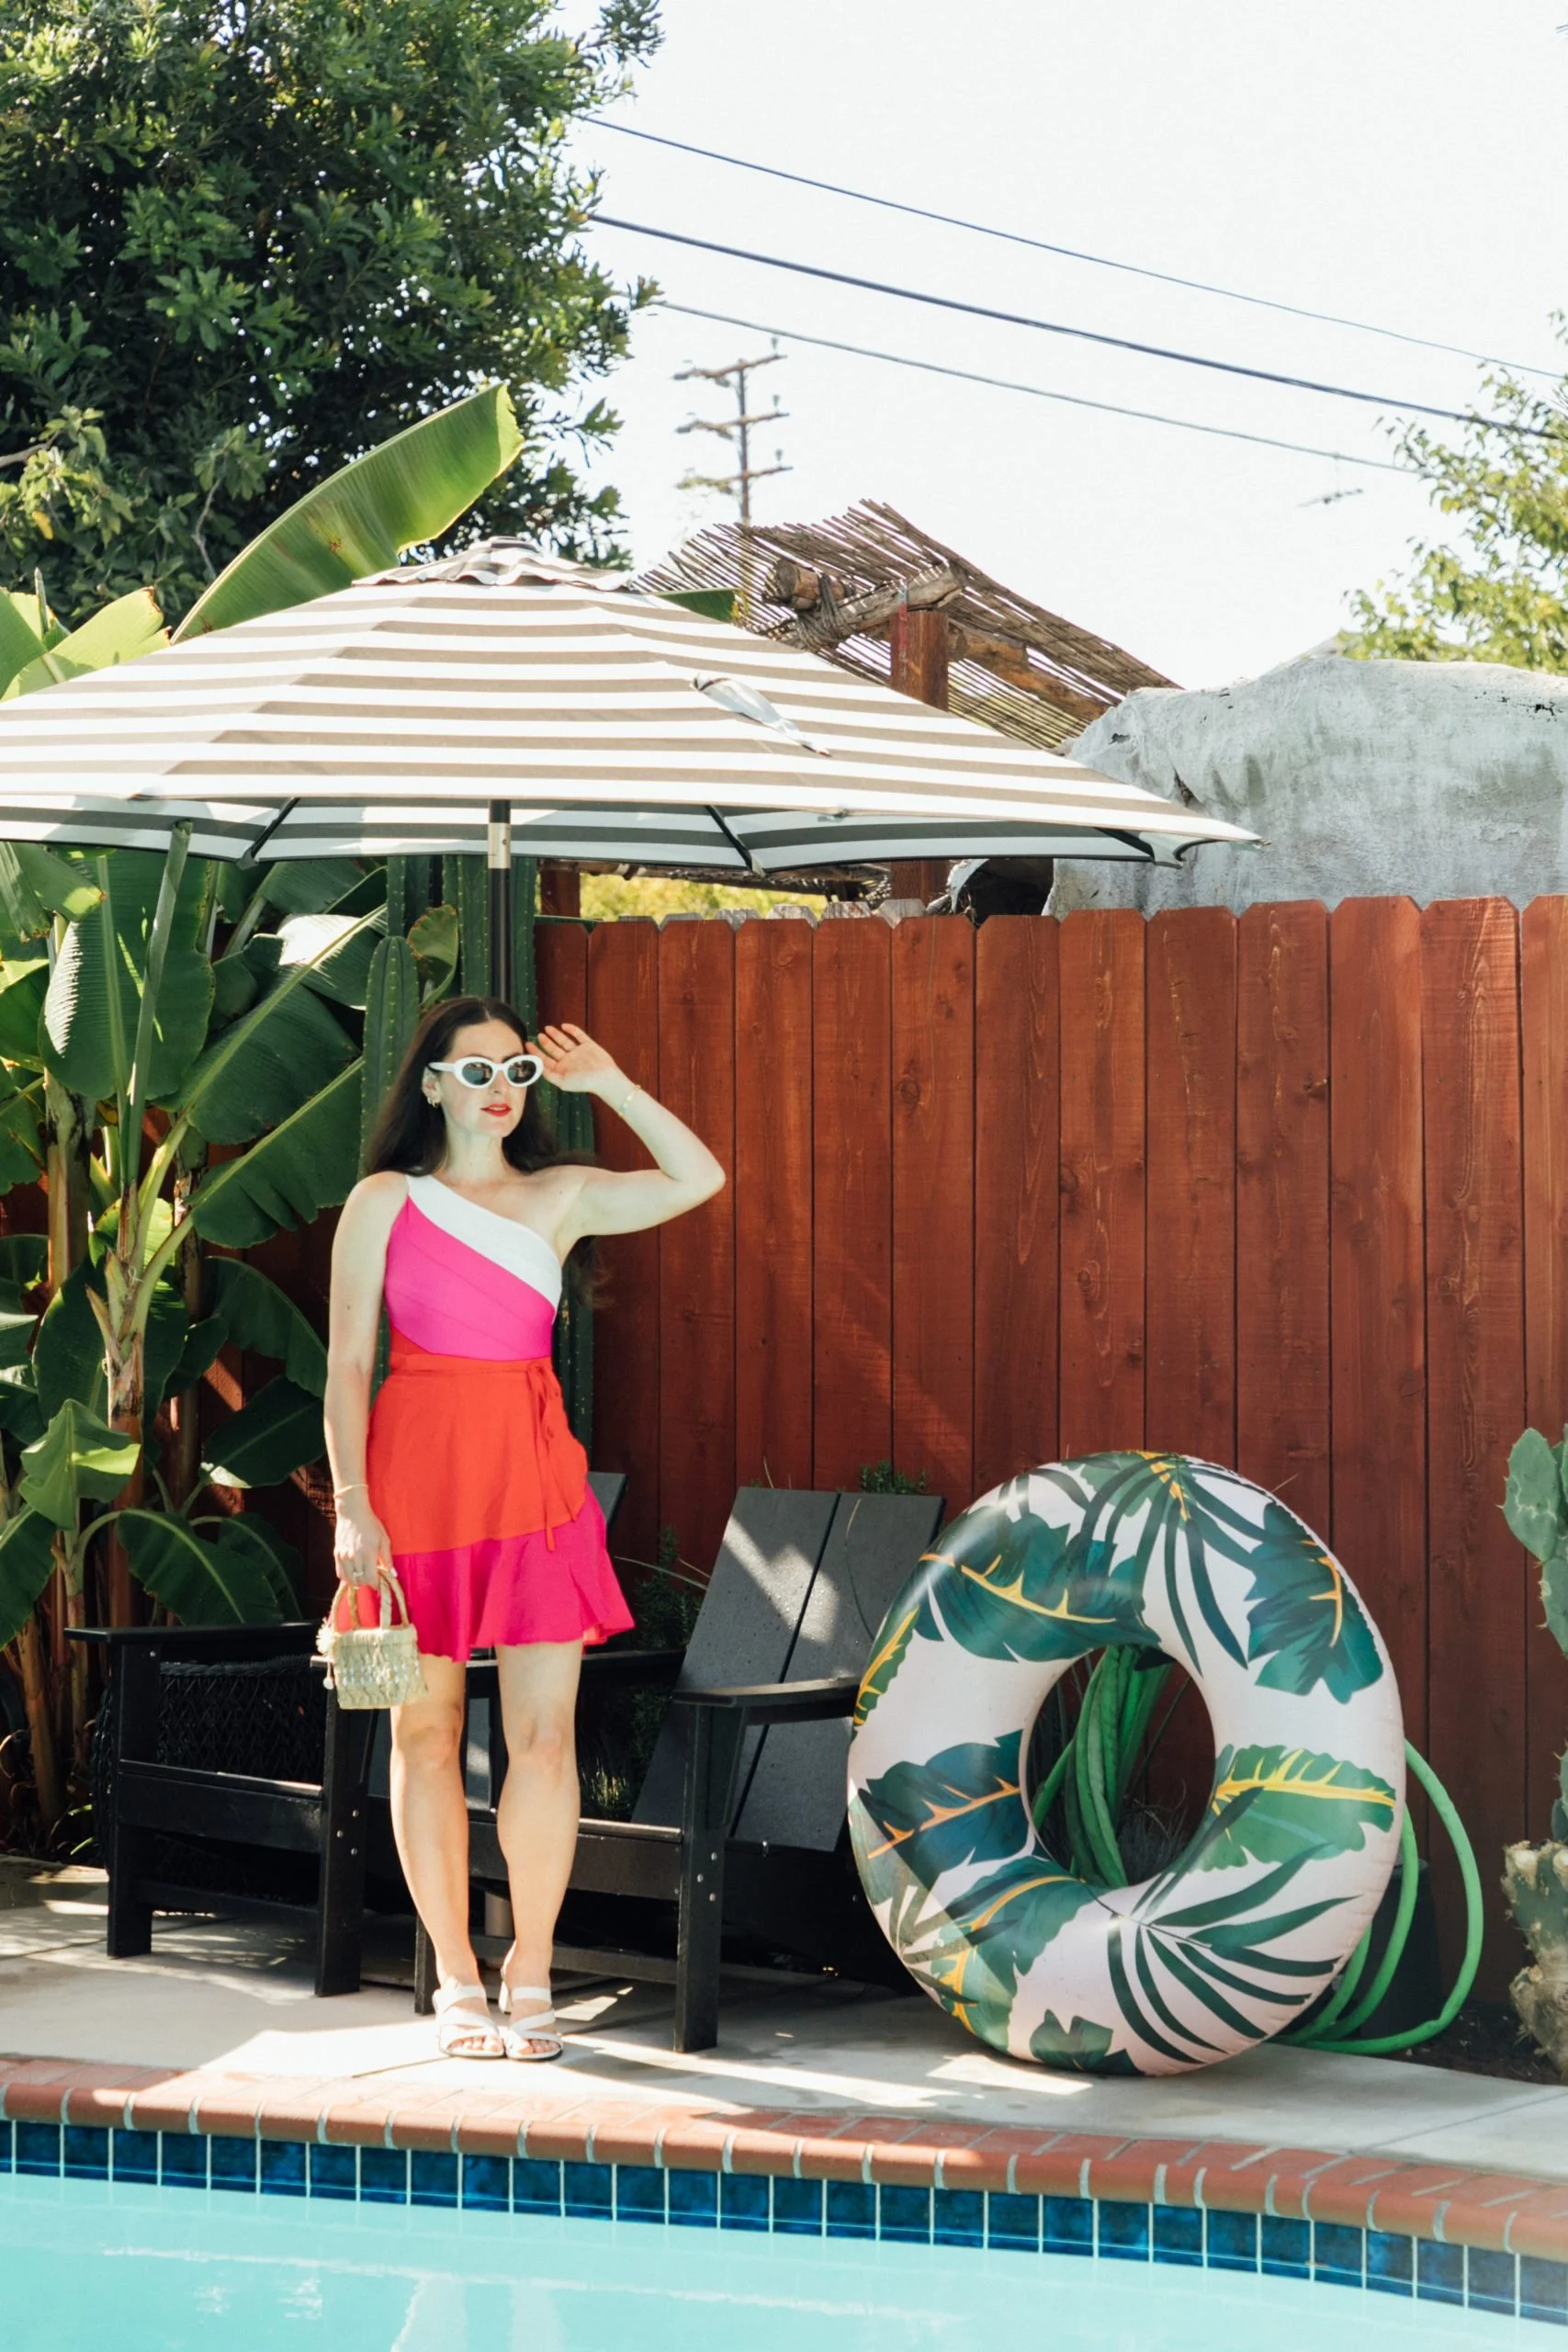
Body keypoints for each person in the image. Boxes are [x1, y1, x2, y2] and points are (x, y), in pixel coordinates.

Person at [324, 996, 725, 2060]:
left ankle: (532, 1969)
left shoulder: (561, 1195)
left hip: (537, 1492)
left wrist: (611, 1084)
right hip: (410, 1494)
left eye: (518, 1071)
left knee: (545, 1740)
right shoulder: (383, 1200)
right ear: (431, 1085)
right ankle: (458, 1978)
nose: (500, 1087)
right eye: (476, 1070)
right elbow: (348, 1366)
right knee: (420, 1734)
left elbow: (699, 1178)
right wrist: (353, 1507)